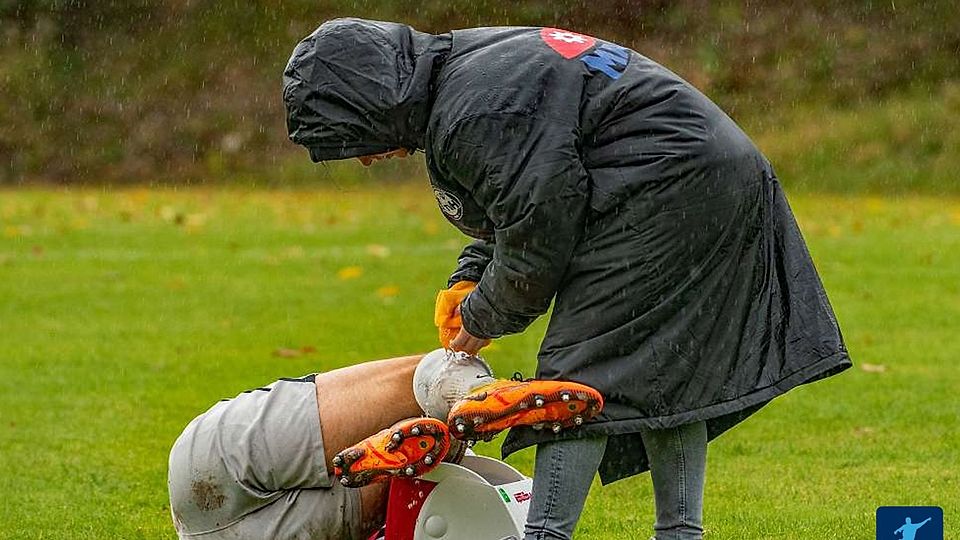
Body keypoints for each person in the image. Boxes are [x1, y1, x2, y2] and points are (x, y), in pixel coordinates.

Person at [282, 19, 853, 540]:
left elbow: (540, 230)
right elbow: (516, 204)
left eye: (353, 139)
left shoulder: (473, 109)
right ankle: (680, 533)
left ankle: (546, 535)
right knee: (667, 369)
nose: (362, 160)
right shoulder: (467, 72)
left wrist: (482, 319)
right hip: (713, 179)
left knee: (572, 381)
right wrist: (469, 280)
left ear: (371, 100)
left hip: (664, 192)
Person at [167, 349, 602, 540]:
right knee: (433, 374)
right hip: (214, 465)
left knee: (418, 472)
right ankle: (474, 390)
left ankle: (441, 438)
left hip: (232, 508)